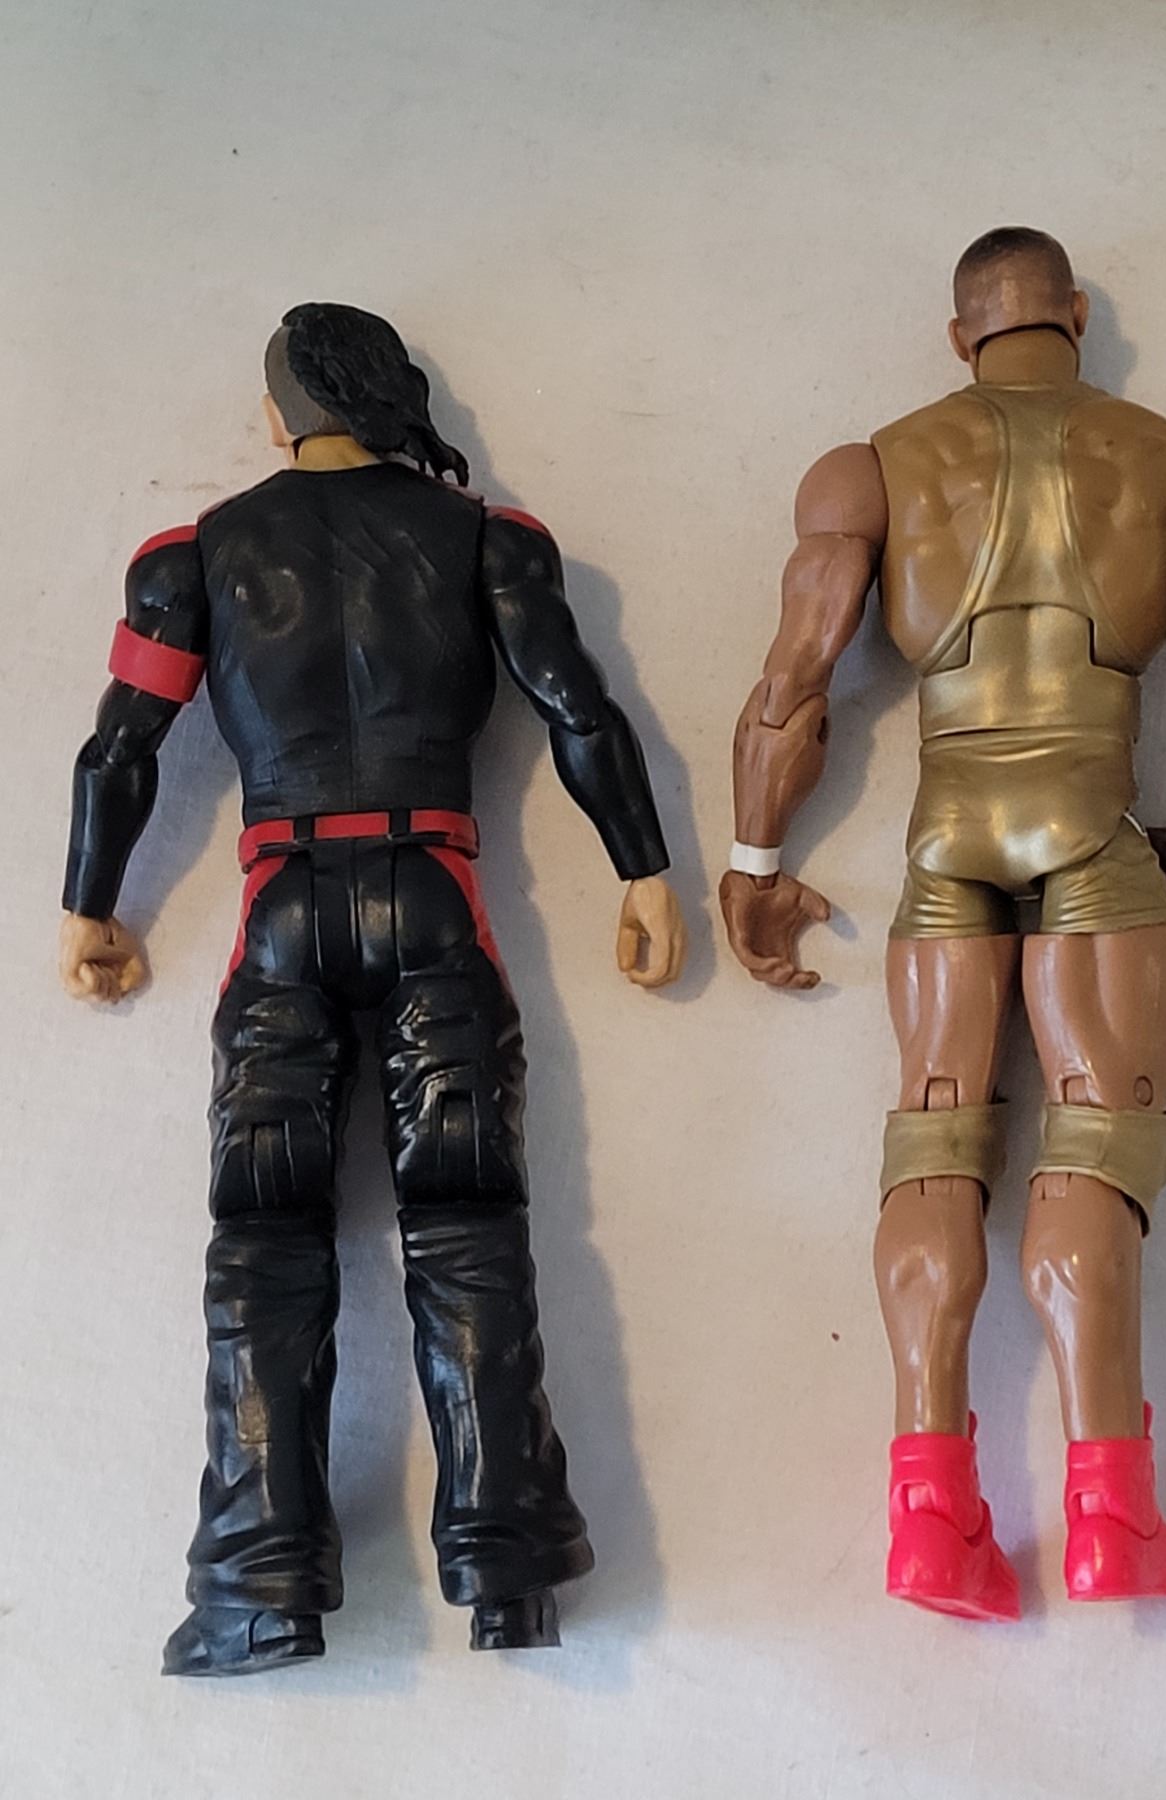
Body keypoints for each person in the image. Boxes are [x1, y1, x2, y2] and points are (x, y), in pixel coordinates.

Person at [60, 302, 687, 1674]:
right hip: (434, 894)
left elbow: (119, 751)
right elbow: (578, 708)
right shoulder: (489, 540)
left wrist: (89, 904)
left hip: (281, 909)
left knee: (262, 1244)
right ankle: (509, 1572)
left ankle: (257, 1587)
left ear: (277, 416)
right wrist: (645, 874)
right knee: (471, 1228)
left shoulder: (191, 557)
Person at [720, 228, 1166, 1619]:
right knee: (1095, 1145)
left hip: (944, 844)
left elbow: (791, 684)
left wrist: (752, 861)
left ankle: (929, 1518)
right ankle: (1112, 1519)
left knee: (931, 1139)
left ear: (958, 333)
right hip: (1094, 831)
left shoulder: (867, 468)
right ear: (1075, 314)